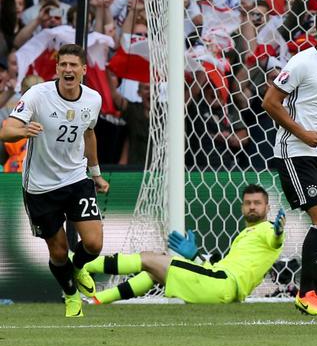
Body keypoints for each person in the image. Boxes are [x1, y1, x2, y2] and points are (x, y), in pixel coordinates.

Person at [0, 43, 109, 317]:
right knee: (59, 252)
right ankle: (71, 294)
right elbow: (6, 130)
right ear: (57, 68)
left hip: (76, 178)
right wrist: (24, 129)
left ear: (84, 70)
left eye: (74, 65)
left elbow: (89, 134)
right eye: (63, 65)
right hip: (40, 186)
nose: (68, 70)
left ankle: (80, 266)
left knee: (94, 245)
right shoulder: (38, 95)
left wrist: (95, 173)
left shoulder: (93, 99)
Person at [261, 7, 317, 316]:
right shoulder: (301, 62)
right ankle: (306, 293)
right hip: (295, 151)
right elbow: (270, 102)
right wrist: (301, 132)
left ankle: (315, 293)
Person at [85, 184, 286, 304]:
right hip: (219, 284)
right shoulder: (245, 235)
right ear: (242, 207)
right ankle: (97, 300)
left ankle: (82, 265)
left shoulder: (267, 230)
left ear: (267, 207)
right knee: (154, 272)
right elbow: (217, 270)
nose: (252, 206)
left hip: (223, 285)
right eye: (248, 202)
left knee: (149, 258)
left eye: (257, 203)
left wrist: (278, 231)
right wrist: (196, 256)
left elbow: (275, 241)